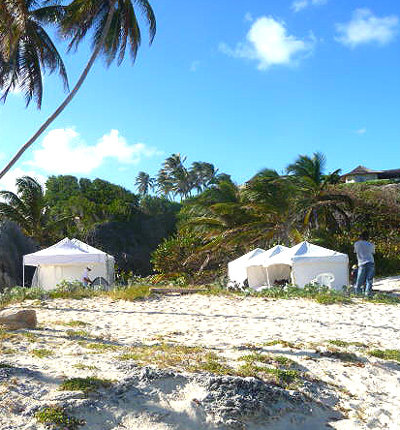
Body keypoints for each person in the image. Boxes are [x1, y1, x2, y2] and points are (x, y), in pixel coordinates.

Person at [354, 232, 375, 297]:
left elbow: (356, 252)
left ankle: (358, 293)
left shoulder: (356, 244)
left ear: (360, 237)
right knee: (369, 279)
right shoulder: (371, 244)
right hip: (370, 262)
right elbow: (372, 252)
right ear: (367, 237)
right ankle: (368, 294)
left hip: (362, 262)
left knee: (360, 279)